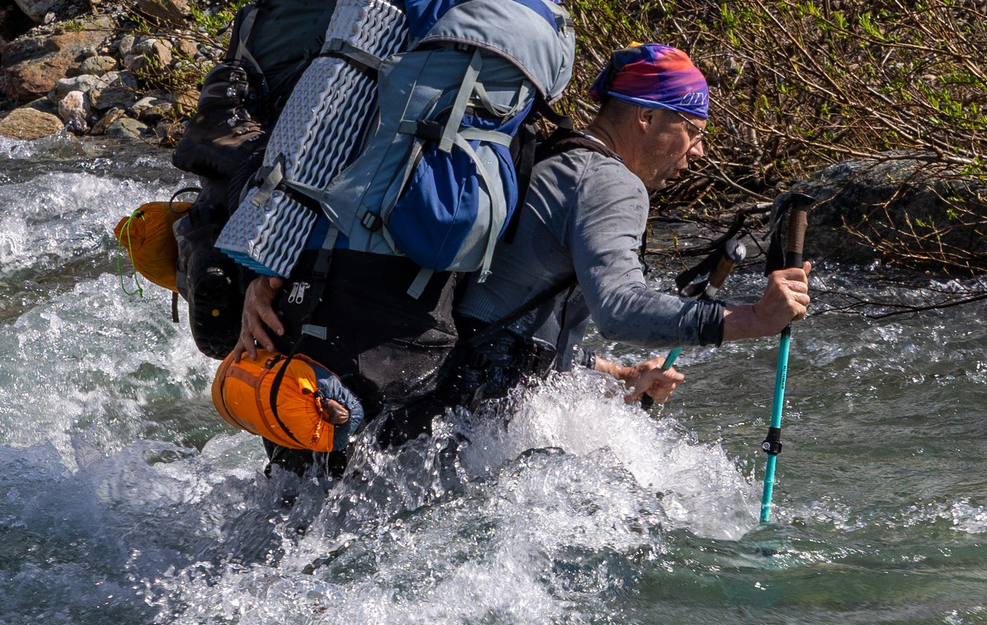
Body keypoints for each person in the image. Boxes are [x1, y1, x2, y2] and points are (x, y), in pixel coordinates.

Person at [240, 40, 809, 451]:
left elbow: (502, 303)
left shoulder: (540, 158)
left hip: (401, 389)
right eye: (692, 129)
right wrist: (753, 318)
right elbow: (620, 307)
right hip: (468, 407)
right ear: (645, 118)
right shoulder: (611, 184)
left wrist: (607, 373)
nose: (698, 152)